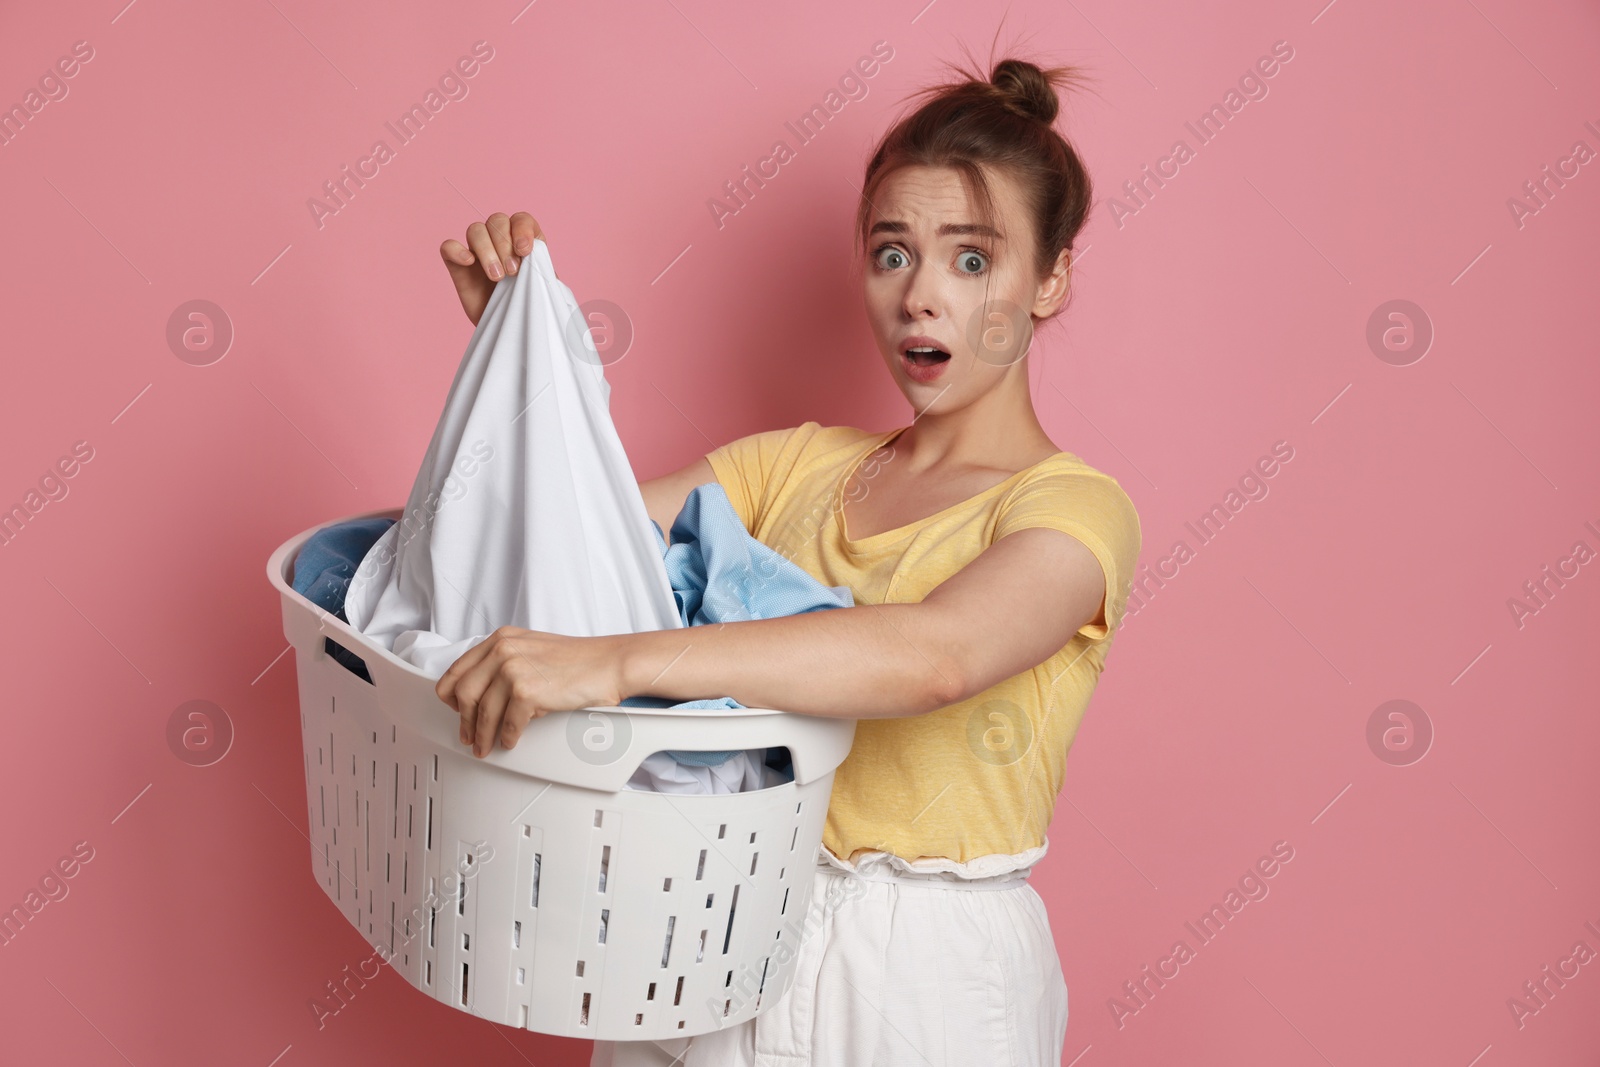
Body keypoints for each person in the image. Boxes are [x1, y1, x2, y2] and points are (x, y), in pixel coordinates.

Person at [431, 50, 1141, 1067]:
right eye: (891, 253)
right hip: (702, 910)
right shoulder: (793, 466)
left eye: (971, 259)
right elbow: (570, 539)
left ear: (1050, 276)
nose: (920, 295)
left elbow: (933, 657)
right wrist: (515, 354)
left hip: (922, 973)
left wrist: (622, 662)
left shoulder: (1074, 509)